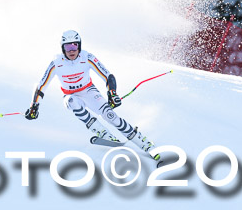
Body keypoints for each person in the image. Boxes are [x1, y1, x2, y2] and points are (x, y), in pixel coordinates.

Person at [25, 30, 160, 161]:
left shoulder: (87, 57)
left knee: (111, 116)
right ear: (62, 48)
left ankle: (145, 144)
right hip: (70, 95)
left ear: (79, 45)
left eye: (74, 45)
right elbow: (41, 85)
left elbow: (108, 75)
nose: (72, 50)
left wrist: (112, 93)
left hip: (88, 91)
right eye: (68, 46)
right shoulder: (56, 63)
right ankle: (101, 131)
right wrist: (34, 106)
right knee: (72, 102)